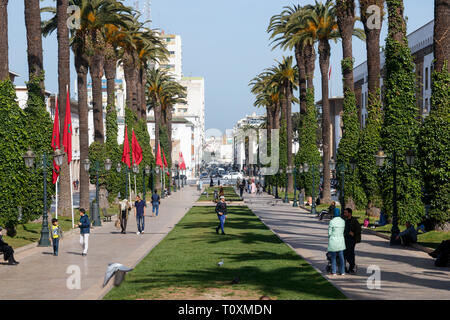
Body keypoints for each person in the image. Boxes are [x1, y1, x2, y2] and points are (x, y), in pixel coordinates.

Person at [328, 208, 346, 276]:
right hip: (341, 240)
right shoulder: (343, 221)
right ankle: (342, 271)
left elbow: (329, 232)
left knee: (333, 257)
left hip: (333, 240)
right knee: (341, 257)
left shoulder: (332, 221)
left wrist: (330, 236)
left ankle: (334, 271)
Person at [343, 208, 361, 274]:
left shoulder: (354, 221)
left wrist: (353, 233)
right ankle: (346, 267)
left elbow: (359, 229)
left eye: (346, 213)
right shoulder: (345, 220)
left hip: (351, 240)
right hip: (345, 239)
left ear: (349, 213)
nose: (344, 214)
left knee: (350, 254)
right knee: (345, 253)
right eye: (344, 213)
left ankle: (352, 267)